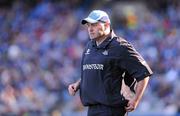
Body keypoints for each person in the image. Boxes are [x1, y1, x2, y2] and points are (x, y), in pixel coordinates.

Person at [68, 10, 153, 116]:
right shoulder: (89, 46)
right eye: (88, 25)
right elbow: (93, 72)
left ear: (107, 24)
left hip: (112, 111)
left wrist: (136, 100)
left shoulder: (120, 46)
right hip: (92, 110)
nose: (90, 29)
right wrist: (77, 84)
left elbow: (144, 73)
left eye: (94, 25)